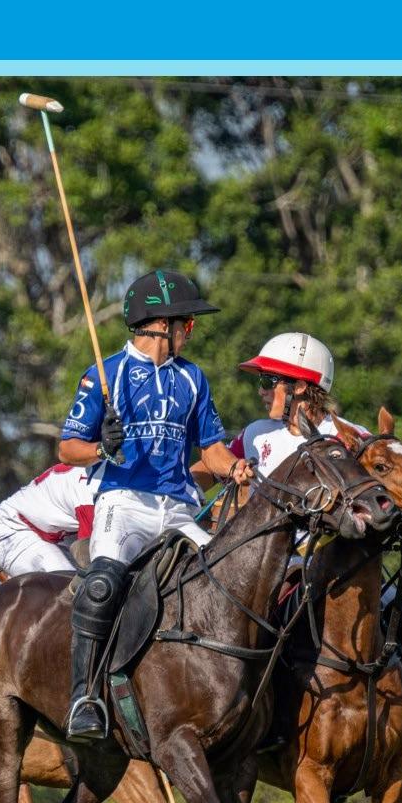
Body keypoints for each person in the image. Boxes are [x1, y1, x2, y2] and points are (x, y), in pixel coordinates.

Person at [234, 332, 402, 763]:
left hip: (341, 566)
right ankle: (259, 721)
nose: (261, 392)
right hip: (280, 562)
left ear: (300, 387)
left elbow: (389, 493)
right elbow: (212, 466)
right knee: (262, 625)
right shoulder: (256, 434)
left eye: (269, 381)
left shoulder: (350, 437)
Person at [59, 269, 254, 740]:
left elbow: (211, 450)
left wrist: (233, 467)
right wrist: (102, 447)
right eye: (188, 322)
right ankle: (85, 697)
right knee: (102, 584)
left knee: (234, 579)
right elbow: (67, 449)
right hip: (124, 502)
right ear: (163, 325)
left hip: (179, 509)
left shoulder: (192, 378)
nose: (192, 331)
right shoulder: (105, 374)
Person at [0, 463, 96, 577]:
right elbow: (88, 554)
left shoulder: (91, 470)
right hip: (12, 531)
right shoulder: (89, 498)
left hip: (41, 535)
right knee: (77, 580)